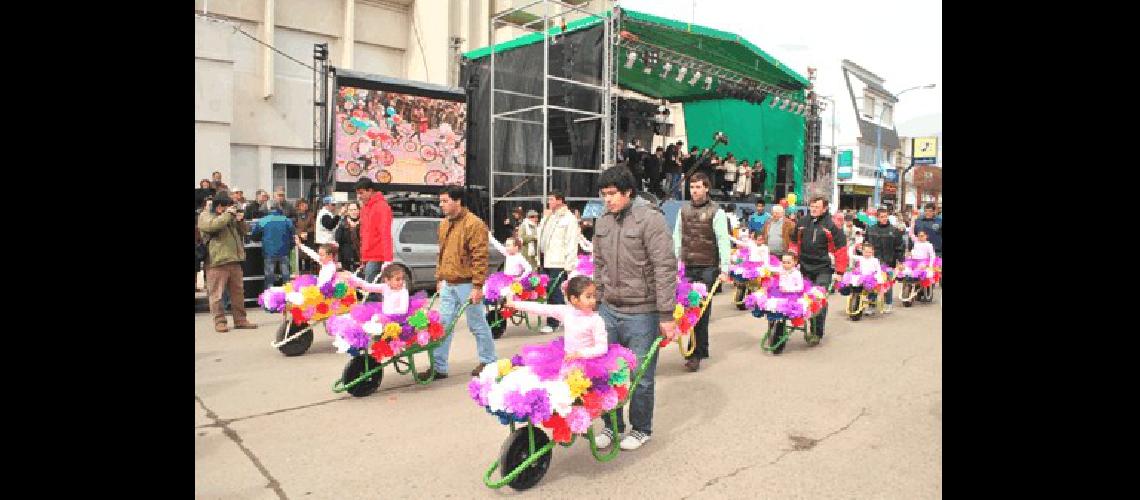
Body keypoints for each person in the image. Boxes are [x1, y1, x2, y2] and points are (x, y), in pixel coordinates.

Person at [591, 166, 677, 451]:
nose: (608, 200)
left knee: (640, 377)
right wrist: (595, 303)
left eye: (612, 194)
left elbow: (664, 268)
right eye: (604, 194)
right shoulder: (603, 221)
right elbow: (598, 265)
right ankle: (612, 426)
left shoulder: (650, 220)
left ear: (628, 192)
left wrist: (666, 315)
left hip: (643, 312)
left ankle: (641, 428)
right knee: (606, 373)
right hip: (608, 310)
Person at [419, 186, 498, 380]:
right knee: (443, 326)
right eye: (441, 201)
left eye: (445, 201)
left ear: (458, 201)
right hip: (448, 283)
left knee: (477, 324)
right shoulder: (444, 224)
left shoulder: (474, 224)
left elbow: (480, 257)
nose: (441, 205)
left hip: (467, 284)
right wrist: (440, 278)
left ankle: (488, 362)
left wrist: (478, 286)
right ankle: (439, 367)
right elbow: (443, 253)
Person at [672, 172, 733, 372]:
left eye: (698, 187)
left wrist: (725, 268)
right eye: (692, 187)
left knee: (700, 311)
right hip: (688, 266)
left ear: (706, 188)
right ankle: (702, 347)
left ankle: (695, 354)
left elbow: (723, 240)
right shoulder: (683, 211)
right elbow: (677, 238)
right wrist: (674, 265)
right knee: (690, 309)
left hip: (708, 267)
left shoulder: (717, 212)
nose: (695, 190)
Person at [504, 276, 608, 360]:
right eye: (588, 296)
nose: (593, 300)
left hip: (590, 365)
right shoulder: (567, 312)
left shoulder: (596, 320)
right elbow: (542, 308)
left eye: (594, 296)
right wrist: (514, 304)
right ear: (574, 299)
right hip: (569, 361)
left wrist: (581, 354)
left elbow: (602, 347)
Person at [198, 194, 257, 333]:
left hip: (234, 260)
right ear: (219, 206)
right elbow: (212, 226)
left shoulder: (228, 217)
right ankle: (219, 322)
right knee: (217, 295)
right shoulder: (205, 216)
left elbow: (244, 231)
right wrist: (228, 215)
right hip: (216, 262)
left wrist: (240, 220)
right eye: (227, 206)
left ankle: (240, 320)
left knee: (238, 293)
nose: (230, 209)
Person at [792, 195, 846, 344]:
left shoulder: (831, 226)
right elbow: (793, 242)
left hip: (823, 269)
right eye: (812, 206)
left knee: (818, 299)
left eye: (817, 207)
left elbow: (841, 249)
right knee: (797, 297)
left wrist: (840, 272)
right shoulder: (802, 222)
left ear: (825, 209)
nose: (814, 209)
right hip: (804, 267)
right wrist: (791, 258)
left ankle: (816, 332)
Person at [537, 191, 580, 333]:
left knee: (555, 293)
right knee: (548, 291)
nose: (549, 202)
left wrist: (569, 264)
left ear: (560, 201)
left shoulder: (569, 218)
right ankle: (560, 318)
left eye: (551, 199)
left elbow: (571, 242)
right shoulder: (550, 217)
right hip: (546, 260)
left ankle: (553, 322)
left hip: (558, 262)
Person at [355, 178, 394, 300]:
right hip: (368, 256)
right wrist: (363, 259)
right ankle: (375, 316)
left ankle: (373, 316)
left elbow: (385, 233)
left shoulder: (382, 207)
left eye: (361, 193)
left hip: (377, 256)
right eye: (358, 193)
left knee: (371, 293)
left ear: (370, 191)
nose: (359, 196)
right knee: (371, 291)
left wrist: (387, 259)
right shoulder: (365, 208)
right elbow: (364, 235)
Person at [865, 207, 906, 313]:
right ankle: (871, 305)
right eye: (881, 217)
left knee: (887, 283)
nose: (884, 219)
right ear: (877, 217)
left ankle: (888, 304)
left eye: (886, 216)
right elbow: (865, 245)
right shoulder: (870, 229)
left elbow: (899, 247)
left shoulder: (894, 230)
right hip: (873, 261)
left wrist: (900, 261)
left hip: (889, 261)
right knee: (871, 283)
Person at [250, 207, 295, 289]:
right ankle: (288, 296)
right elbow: (292, 235)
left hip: (269, 251)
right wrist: (290, 246)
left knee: (269, 277)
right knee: (286, 277)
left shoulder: (263, 220)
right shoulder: (287, 220)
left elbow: (254, 236)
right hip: (284, 251)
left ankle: (269, 297)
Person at [335, 202, 362, 272]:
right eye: (351, 210)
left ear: (359, 210)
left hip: (360, 256)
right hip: (346, 257)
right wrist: (339, 260)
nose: (353, 212)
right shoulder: (342, 224)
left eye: (355, 209)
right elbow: (338, 243)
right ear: (348, 212)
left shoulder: (364, 223)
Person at [293, 198, 317, 274]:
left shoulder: (311, 214)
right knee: (299, 258)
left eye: (306, 204)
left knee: (307, 257)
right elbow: (293, 227)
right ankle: (299, 273)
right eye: (303, 205)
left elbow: (314, 226)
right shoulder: (295, 215)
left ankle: (307, 274)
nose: (305, 206)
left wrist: (307, 232)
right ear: (299, 206)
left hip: (308, 239)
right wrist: (300, 233)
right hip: (298, 239)